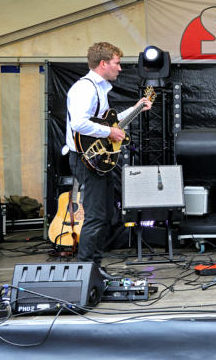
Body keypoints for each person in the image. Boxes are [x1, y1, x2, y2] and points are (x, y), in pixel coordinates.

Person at [65, 42, 152, 275]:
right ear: (103, 63)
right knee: (95, 216)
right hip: (86, 158)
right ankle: (85, 270)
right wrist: (109, 132)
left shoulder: (99, 88)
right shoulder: (84, 89)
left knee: (103, 215)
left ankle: (94, 268)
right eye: (117, 63)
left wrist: (136, 108)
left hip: (95, 158)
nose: (120, 68)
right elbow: (79, 123)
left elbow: (109, 123)